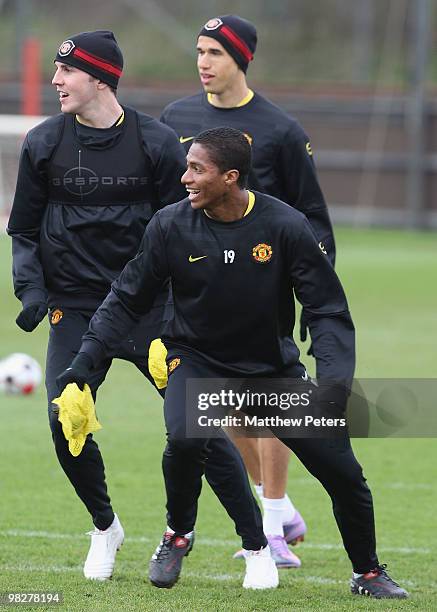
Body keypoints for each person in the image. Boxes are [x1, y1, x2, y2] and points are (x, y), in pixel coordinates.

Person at [57, 127, 408, 599]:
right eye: (187, 167)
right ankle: (178, 534)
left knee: (344, 473)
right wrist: (84, 362)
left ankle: (367, 572)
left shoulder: (284, 226)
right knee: (185, 436)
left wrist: (334, 383)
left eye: (197, 169)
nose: (185, 178)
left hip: (272, 372)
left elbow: (326, 309)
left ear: (231, 177)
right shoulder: (169, 225)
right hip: (197, 361)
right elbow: (125, 299)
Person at [7, 31, 274, 587]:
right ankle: (105, 528)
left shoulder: (156, 144)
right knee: (66, 421)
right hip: (77, 311)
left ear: (98, 77)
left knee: (195, 428)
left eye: (67, 72)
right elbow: (25, 230)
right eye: (56, 71)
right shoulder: (42, 143)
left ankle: (256, 547)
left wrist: (192, 303)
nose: (56, 81)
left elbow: (184, 230)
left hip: (151, 309)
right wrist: (31, 291)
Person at [160, 14, 335, 566]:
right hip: (202, 289)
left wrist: (315, 293)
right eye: (199, 52)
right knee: (226, 409)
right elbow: (169, 206)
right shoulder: (177, 117)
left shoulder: (280, 129)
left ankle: (274, 523)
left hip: (266, 286)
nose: (203, 63)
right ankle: (279, 511)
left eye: (214, 52)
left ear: (241, 58)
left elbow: (314, 218)